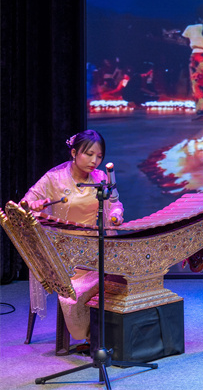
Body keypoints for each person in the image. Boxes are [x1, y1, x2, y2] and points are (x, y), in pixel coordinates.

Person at [19, 130, 124, 351]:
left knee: (125, 271)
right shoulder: (54, 178)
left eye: (99, 156)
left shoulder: (101, 178)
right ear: (74, 153)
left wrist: (116, 214)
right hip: (65, 251)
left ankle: (108, 332)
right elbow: (24, 205)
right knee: (90, 281)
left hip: (95, 245)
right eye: (89, 154)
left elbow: (114, 203)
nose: (94, 161)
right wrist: (34, 206)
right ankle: (90, 334)